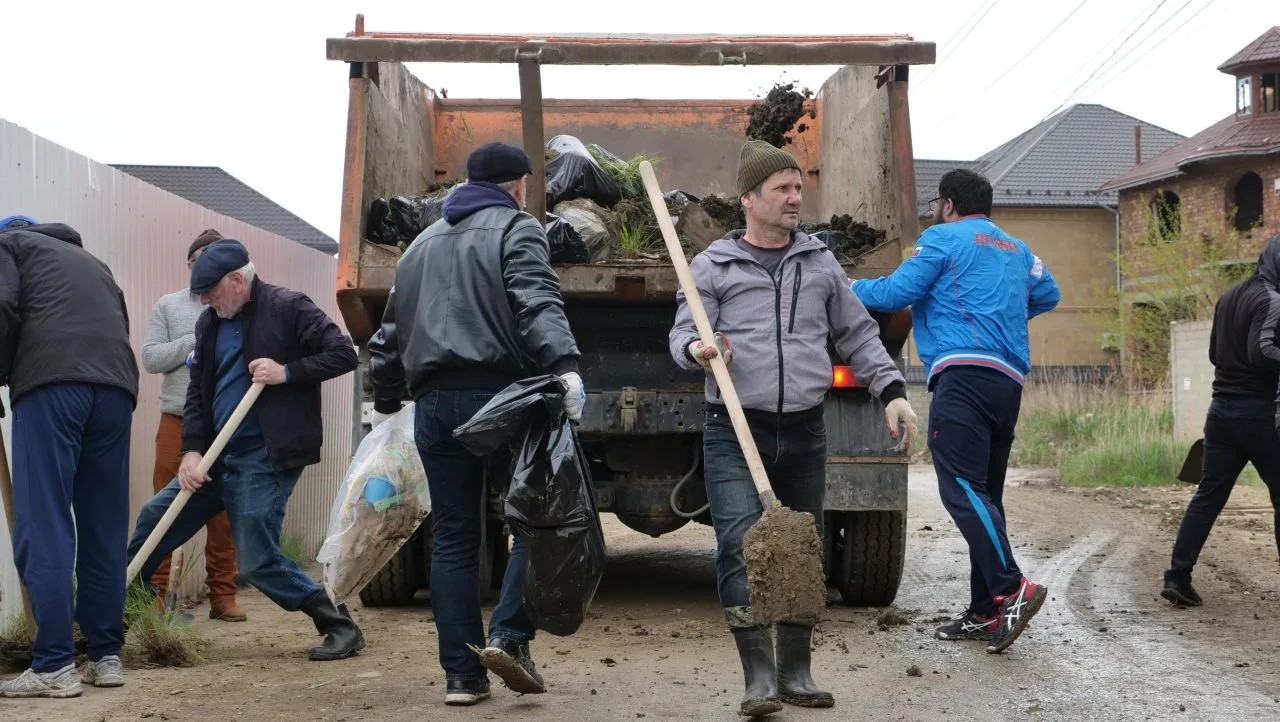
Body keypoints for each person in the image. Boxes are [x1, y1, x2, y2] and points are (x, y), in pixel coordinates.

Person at [668, 140, 917, 718]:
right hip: (734, 429)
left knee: (803, 547)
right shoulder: (712, 266)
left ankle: (796, 672)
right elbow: (683, 333)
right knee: (738, 545)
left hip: (804, 428)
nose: (794, 198)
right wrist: (699, 348)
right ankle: (757, 677)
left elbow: (857, 335)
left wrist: (892, 391)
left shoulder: (820, 263)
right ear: (748, 199)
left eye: (798, 187)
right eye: (781, 188)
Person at [368, 141, 585, 707]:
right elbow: (536, 302)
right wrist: (564, 367)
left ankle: (462, 678)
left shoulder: (417, 246)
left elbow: (390, 333)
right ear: (517, 185)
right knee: (535, 521)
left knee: (455, 539)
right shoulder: (518, 229)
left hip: (435, 408)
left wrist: (385, 396)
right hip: (501, 399)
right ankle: (510, 636)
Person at [853, 168, 1061, 654]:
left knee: (961, 488)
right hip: (1007, 382)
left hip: (963, 376)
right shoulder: (1019, 249)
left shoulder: (942, 239)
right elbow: (1049, 294)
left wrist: (845, 288)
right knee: (985, 494)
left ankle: (1012, 588)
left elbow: (894, 294)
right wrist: (1002, 314)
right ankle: (986, 611)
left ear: (947, 204)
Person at [125, 239, 364, 661]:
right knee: (155, 518)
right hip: (216, 455)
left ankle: (338, 624)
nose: (205, 303)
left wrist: (287, 371)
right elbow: (198, 393)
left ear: (237, 280)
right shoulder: (211, 322)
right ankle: (130, 616)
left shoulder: (289, 307)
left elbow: (342, 353)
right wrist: (192, 451)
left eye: (211, 294)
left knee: (255, 558)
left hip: (265, 456)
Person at [0, 217, 139, 698]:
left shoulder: (9, 245)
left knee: (44, 520)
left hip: (53, 384)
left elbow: (2, 305)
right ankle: (105, 655)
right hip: (116, 390)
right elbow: (121, 321)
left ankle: (54, 662)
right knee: (103, 523)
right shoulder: (95, 264)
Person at [1161, 232, 1280, 607]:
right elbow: (1261, 353)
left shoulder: (1229, 297)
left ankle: (1177, 577)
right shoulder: (1273, 300)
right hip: (1257, 415)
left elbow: (1215, 353)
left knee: (1208, 496)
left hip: (1220, 412)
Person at [140, 228, 244, 622]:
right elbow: (151, 358)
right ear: (188, 264)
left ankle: (223, 594)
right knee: (165, 508)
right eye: (198, 259)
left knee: (223, 513)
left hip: (224, 425)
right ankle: (152, 595)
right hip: (176, 421)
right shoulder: (169, 306)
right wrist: (192, 340)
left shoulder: (237, 306)